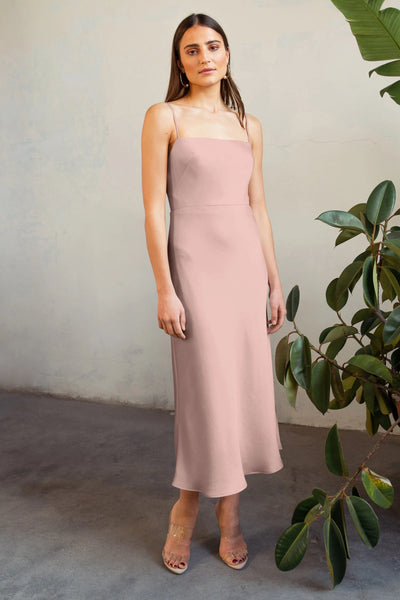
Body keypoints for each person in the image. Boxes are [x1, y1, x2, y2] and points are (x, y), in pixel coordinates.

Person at [141, 13, 286, 575]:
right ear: (180, 62)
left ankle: (230, 513)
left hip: (244, 266)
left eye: (214, 46)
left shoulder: (249, 125)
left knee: (242, 388)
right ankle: (185, 506)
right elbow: (155, 206)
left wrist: (274, 281)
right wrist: (165, 287)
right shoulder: (164, 117)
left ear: (227, 54)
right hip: (193, 266)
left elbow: (259, 208)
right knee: (205, 392)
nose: (205, 56)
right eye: (192, 49)